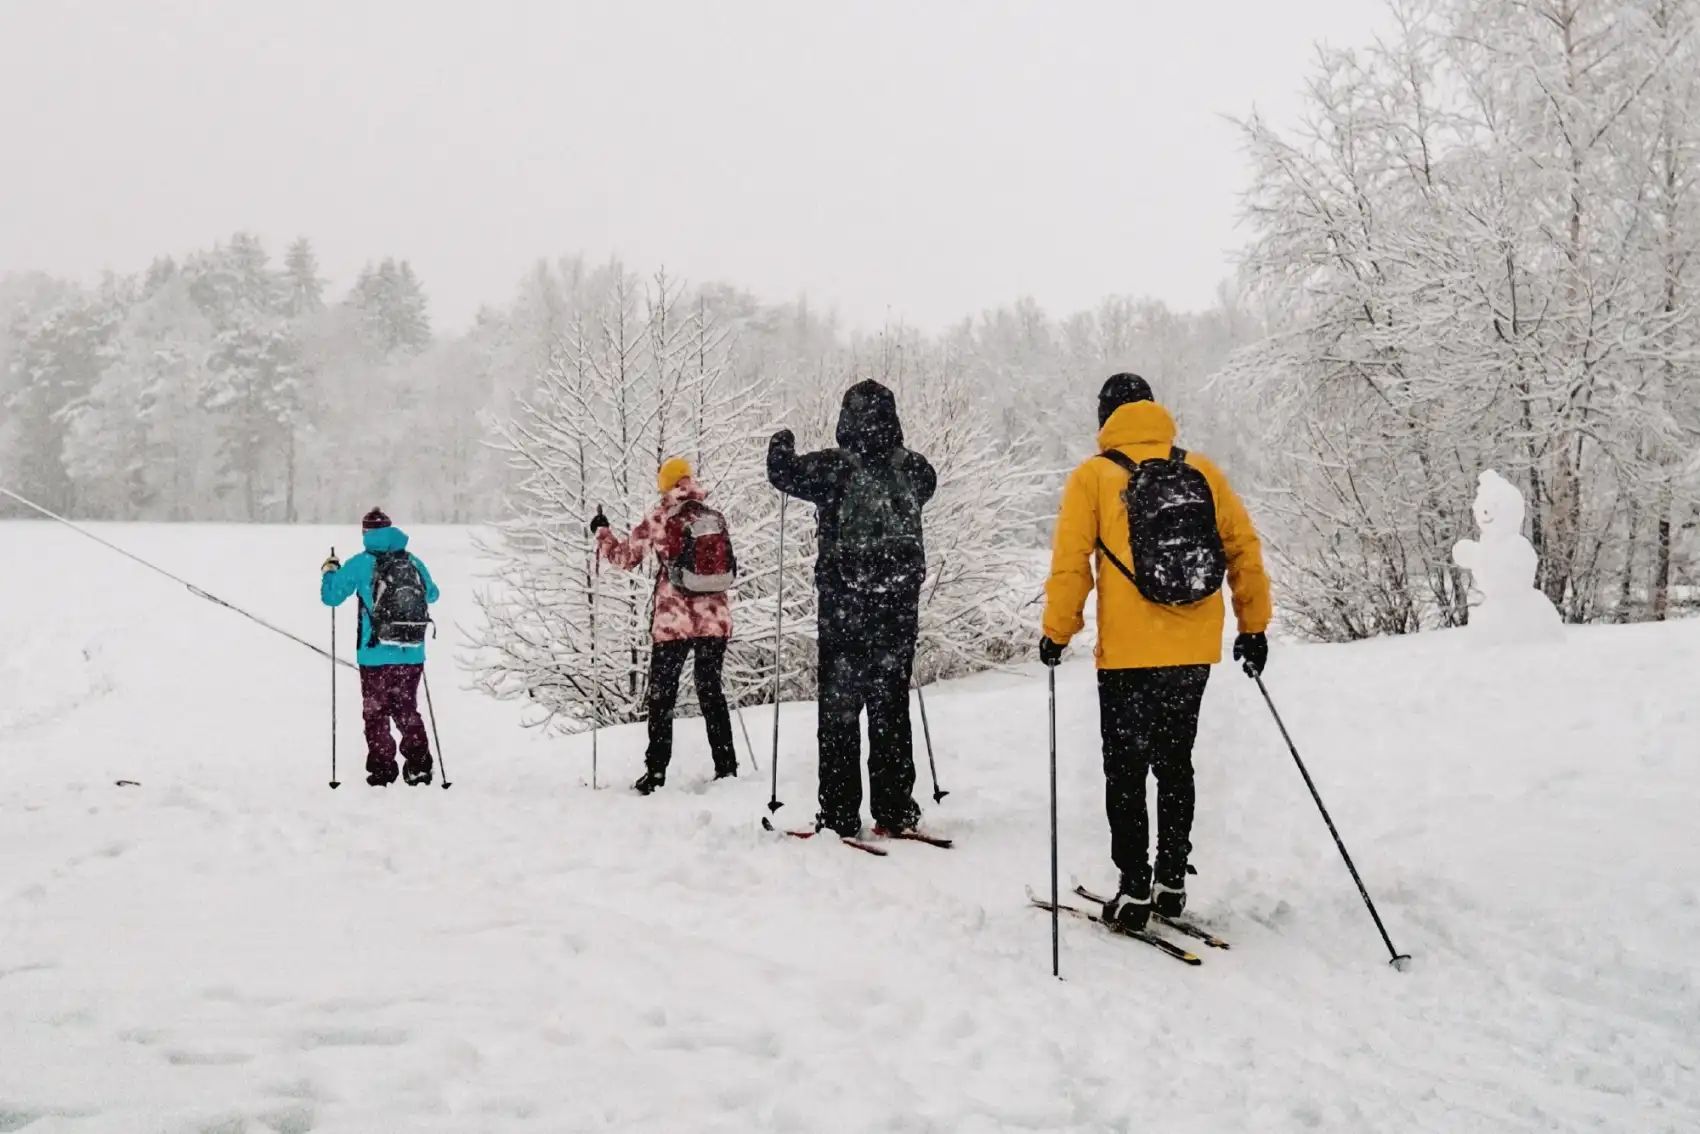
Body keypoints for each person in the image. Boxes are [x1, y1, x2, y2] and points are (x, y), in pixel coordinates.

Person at [1040, 373, 1272, 931]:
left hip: (1126, 653)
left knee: (1124, 769)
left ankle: (1134, 889)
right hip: (1193, 648)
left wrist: (1057, 631)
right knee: (1174, 762)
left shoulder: (1093, 477)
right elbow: (1243, 547)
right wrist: (1253, 625)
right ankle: (1172, 880)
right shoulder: (1203, 471)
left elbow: (1072, 564)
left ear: (1105, 418)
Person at [768, 379, 937, 839]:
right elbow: (930, 485)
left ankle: (841, 814)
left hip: (844, 608)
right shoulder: (916, 470)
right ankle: (896, 809)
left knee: (840, 715)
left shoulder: (830, 469)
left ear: (845, 418)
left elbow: (781, 473)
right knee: (890, 709)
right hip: (898, 610)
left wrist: (782, 442)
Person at [593, 456, 738, 794]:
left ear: (665, 485)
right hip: (715, 620)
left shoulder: (659, 517)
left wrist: (602, 534)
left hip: (673, 623)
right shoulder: (713, 517)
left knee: (662, 696)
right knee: (710, 690)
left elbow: (624, 558)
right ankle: (727, 766)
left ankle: (656, 772)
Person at [321, 508, 442, 787]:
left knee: (375, 712)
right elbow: (433, 594)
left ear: (365, 533)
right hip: (411, 653)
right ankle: (420, 767)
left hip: (374, 653)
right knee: (406, 708)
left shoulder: (361, 564)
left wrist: (330, 570)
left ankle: (383, 770)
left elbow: (331, 597)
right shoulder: (412, 561)